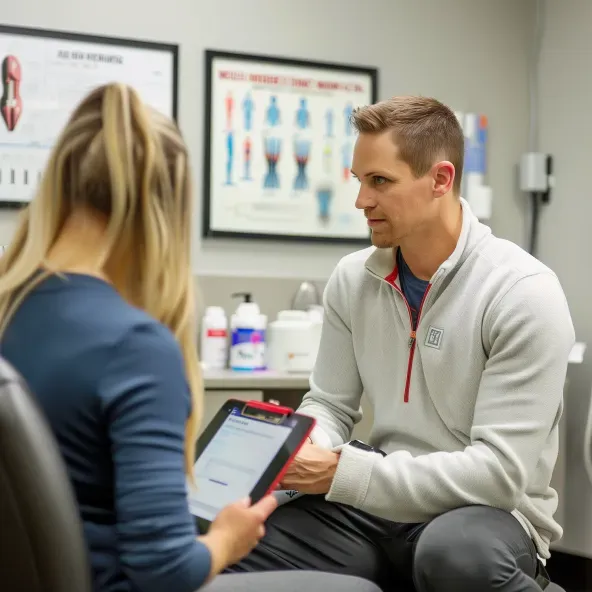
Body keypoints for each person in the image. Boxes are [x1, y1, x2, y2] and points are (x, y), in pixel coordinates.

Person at [0, 83, 381, 592]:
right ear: (163, 213)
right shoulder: (136, 347)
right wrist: (227, 538)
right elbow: (165, 572)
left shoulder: (11, 309)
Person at [226, 96, 575, 592]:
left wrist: (340, 471)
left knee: (453, 559)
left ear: (440, 179)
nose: (361, 201)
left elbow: (497, 474)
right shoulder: (353, 278)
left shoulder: (522, 292)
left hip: (485, 513)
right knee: (245, 540)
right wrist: (303, 445)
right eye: (359, 181)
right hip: (376, 504)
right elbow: (329, 405)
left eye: (380, 182)